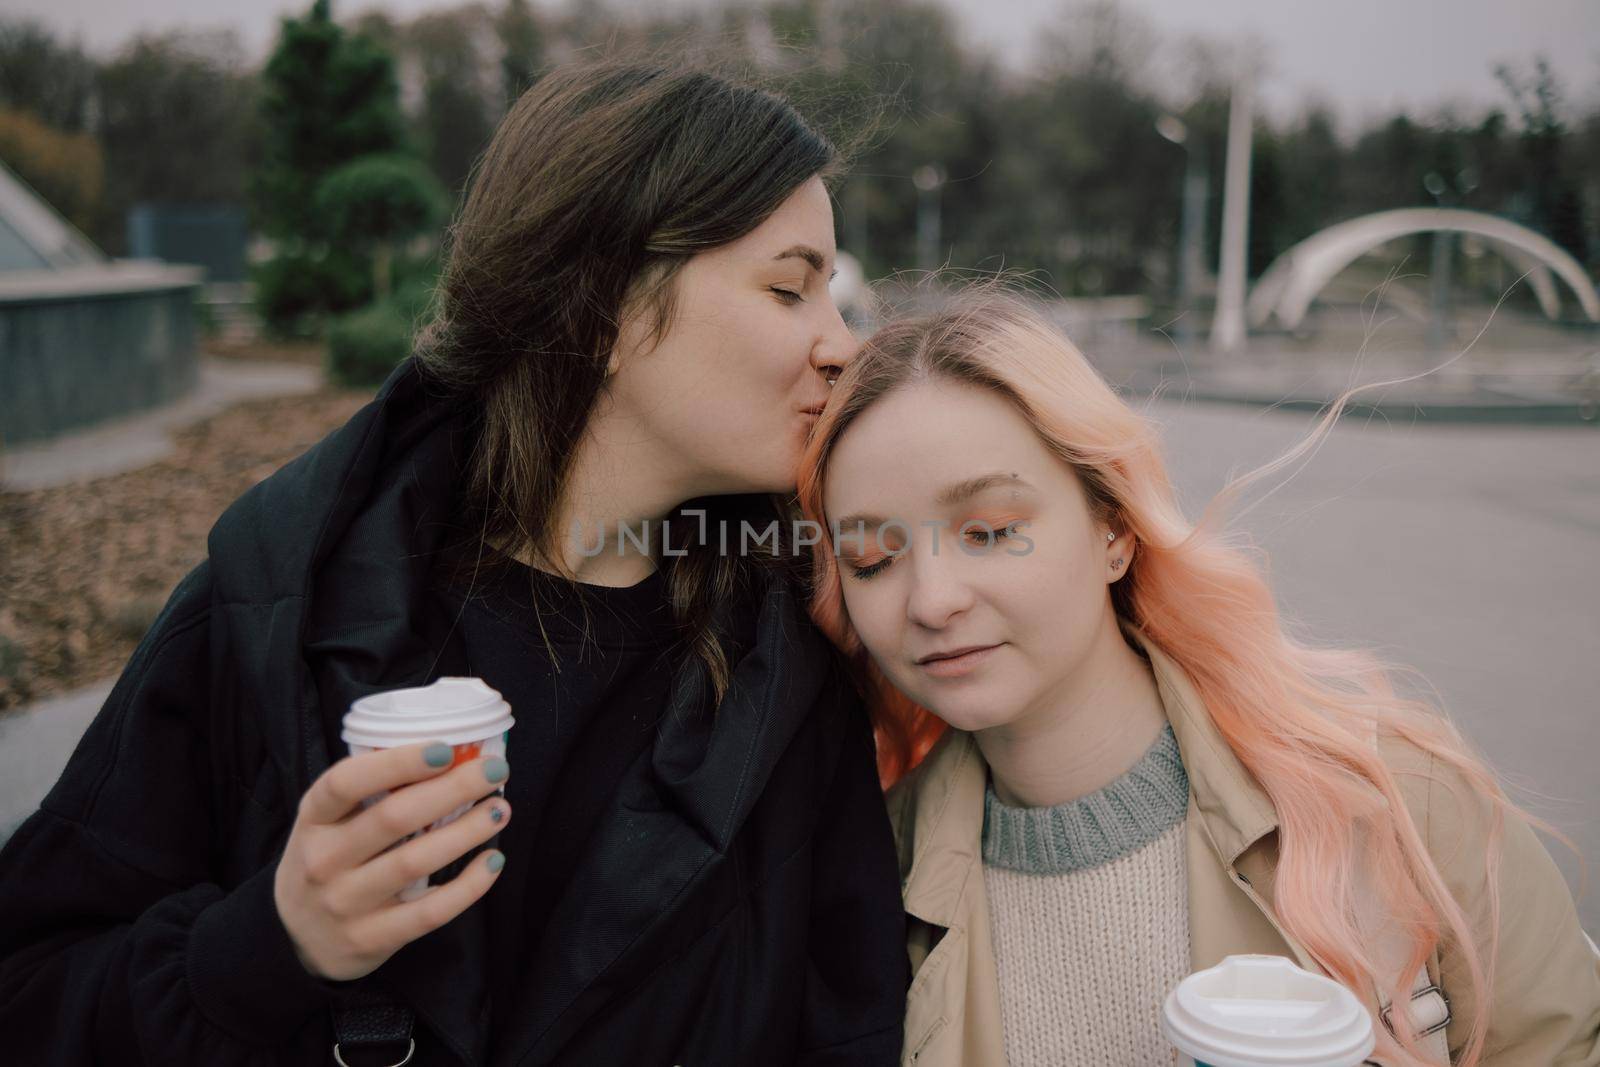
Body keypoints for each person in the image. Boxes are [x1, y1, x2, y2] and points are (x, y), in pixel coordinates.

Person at [0, 55, 909, 1066]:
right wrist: (276, 940)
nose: (841, 345)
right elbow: (28, 989)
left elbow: (856, 1022)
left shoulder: (792, 657)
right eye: (790, 288)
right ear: (601, 302)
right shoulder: (274, 609)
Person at [794, 288, 1600, 1066]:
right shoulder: (865, 878)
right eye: (873, 556)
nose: (932, 599)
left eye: (990, 530)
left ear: (1113, 527)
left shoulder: (1395, 802)